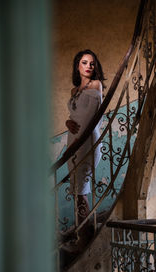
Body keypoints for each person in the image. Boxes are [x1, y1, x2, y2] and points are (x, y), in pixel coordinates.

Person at [65, 49, 106, 226]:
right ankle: (82, 232)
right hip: (72, 140)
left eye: (92, 63)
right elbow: (75, 115)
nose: (88, 66)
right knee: (76, 190)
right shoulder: (74, 90)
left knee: (81, 190)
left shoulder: (96, 85)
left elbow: (91, 118)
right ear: (77, 66)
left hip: (86, 141)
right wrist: (67, 123)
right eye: (84, 62)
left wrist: (76, 143)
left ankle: (86, 234)